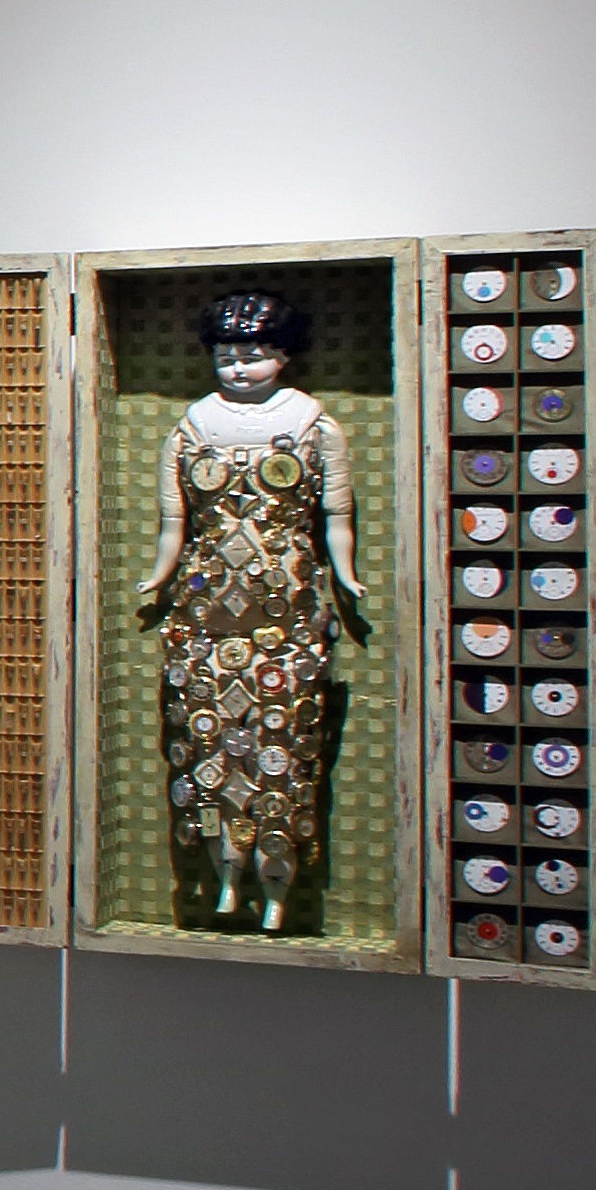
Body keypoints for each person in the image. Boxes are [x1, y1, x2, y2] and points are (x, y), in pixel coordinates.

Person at [133, 291, 371, 933]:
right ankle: (224, 877)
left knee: (283, 736)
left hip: (286, 598)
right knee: (206, 737)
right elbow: (175, 520)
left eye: (254, 355)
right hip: (206, 603)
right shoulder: (190, 429)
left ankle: (275, 885)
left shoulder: (315, 426)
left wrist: (345, 572)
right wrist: (161, 572)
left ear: (284, 355)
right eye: (227, 357)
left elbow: (336, 514)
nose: (239, 368)